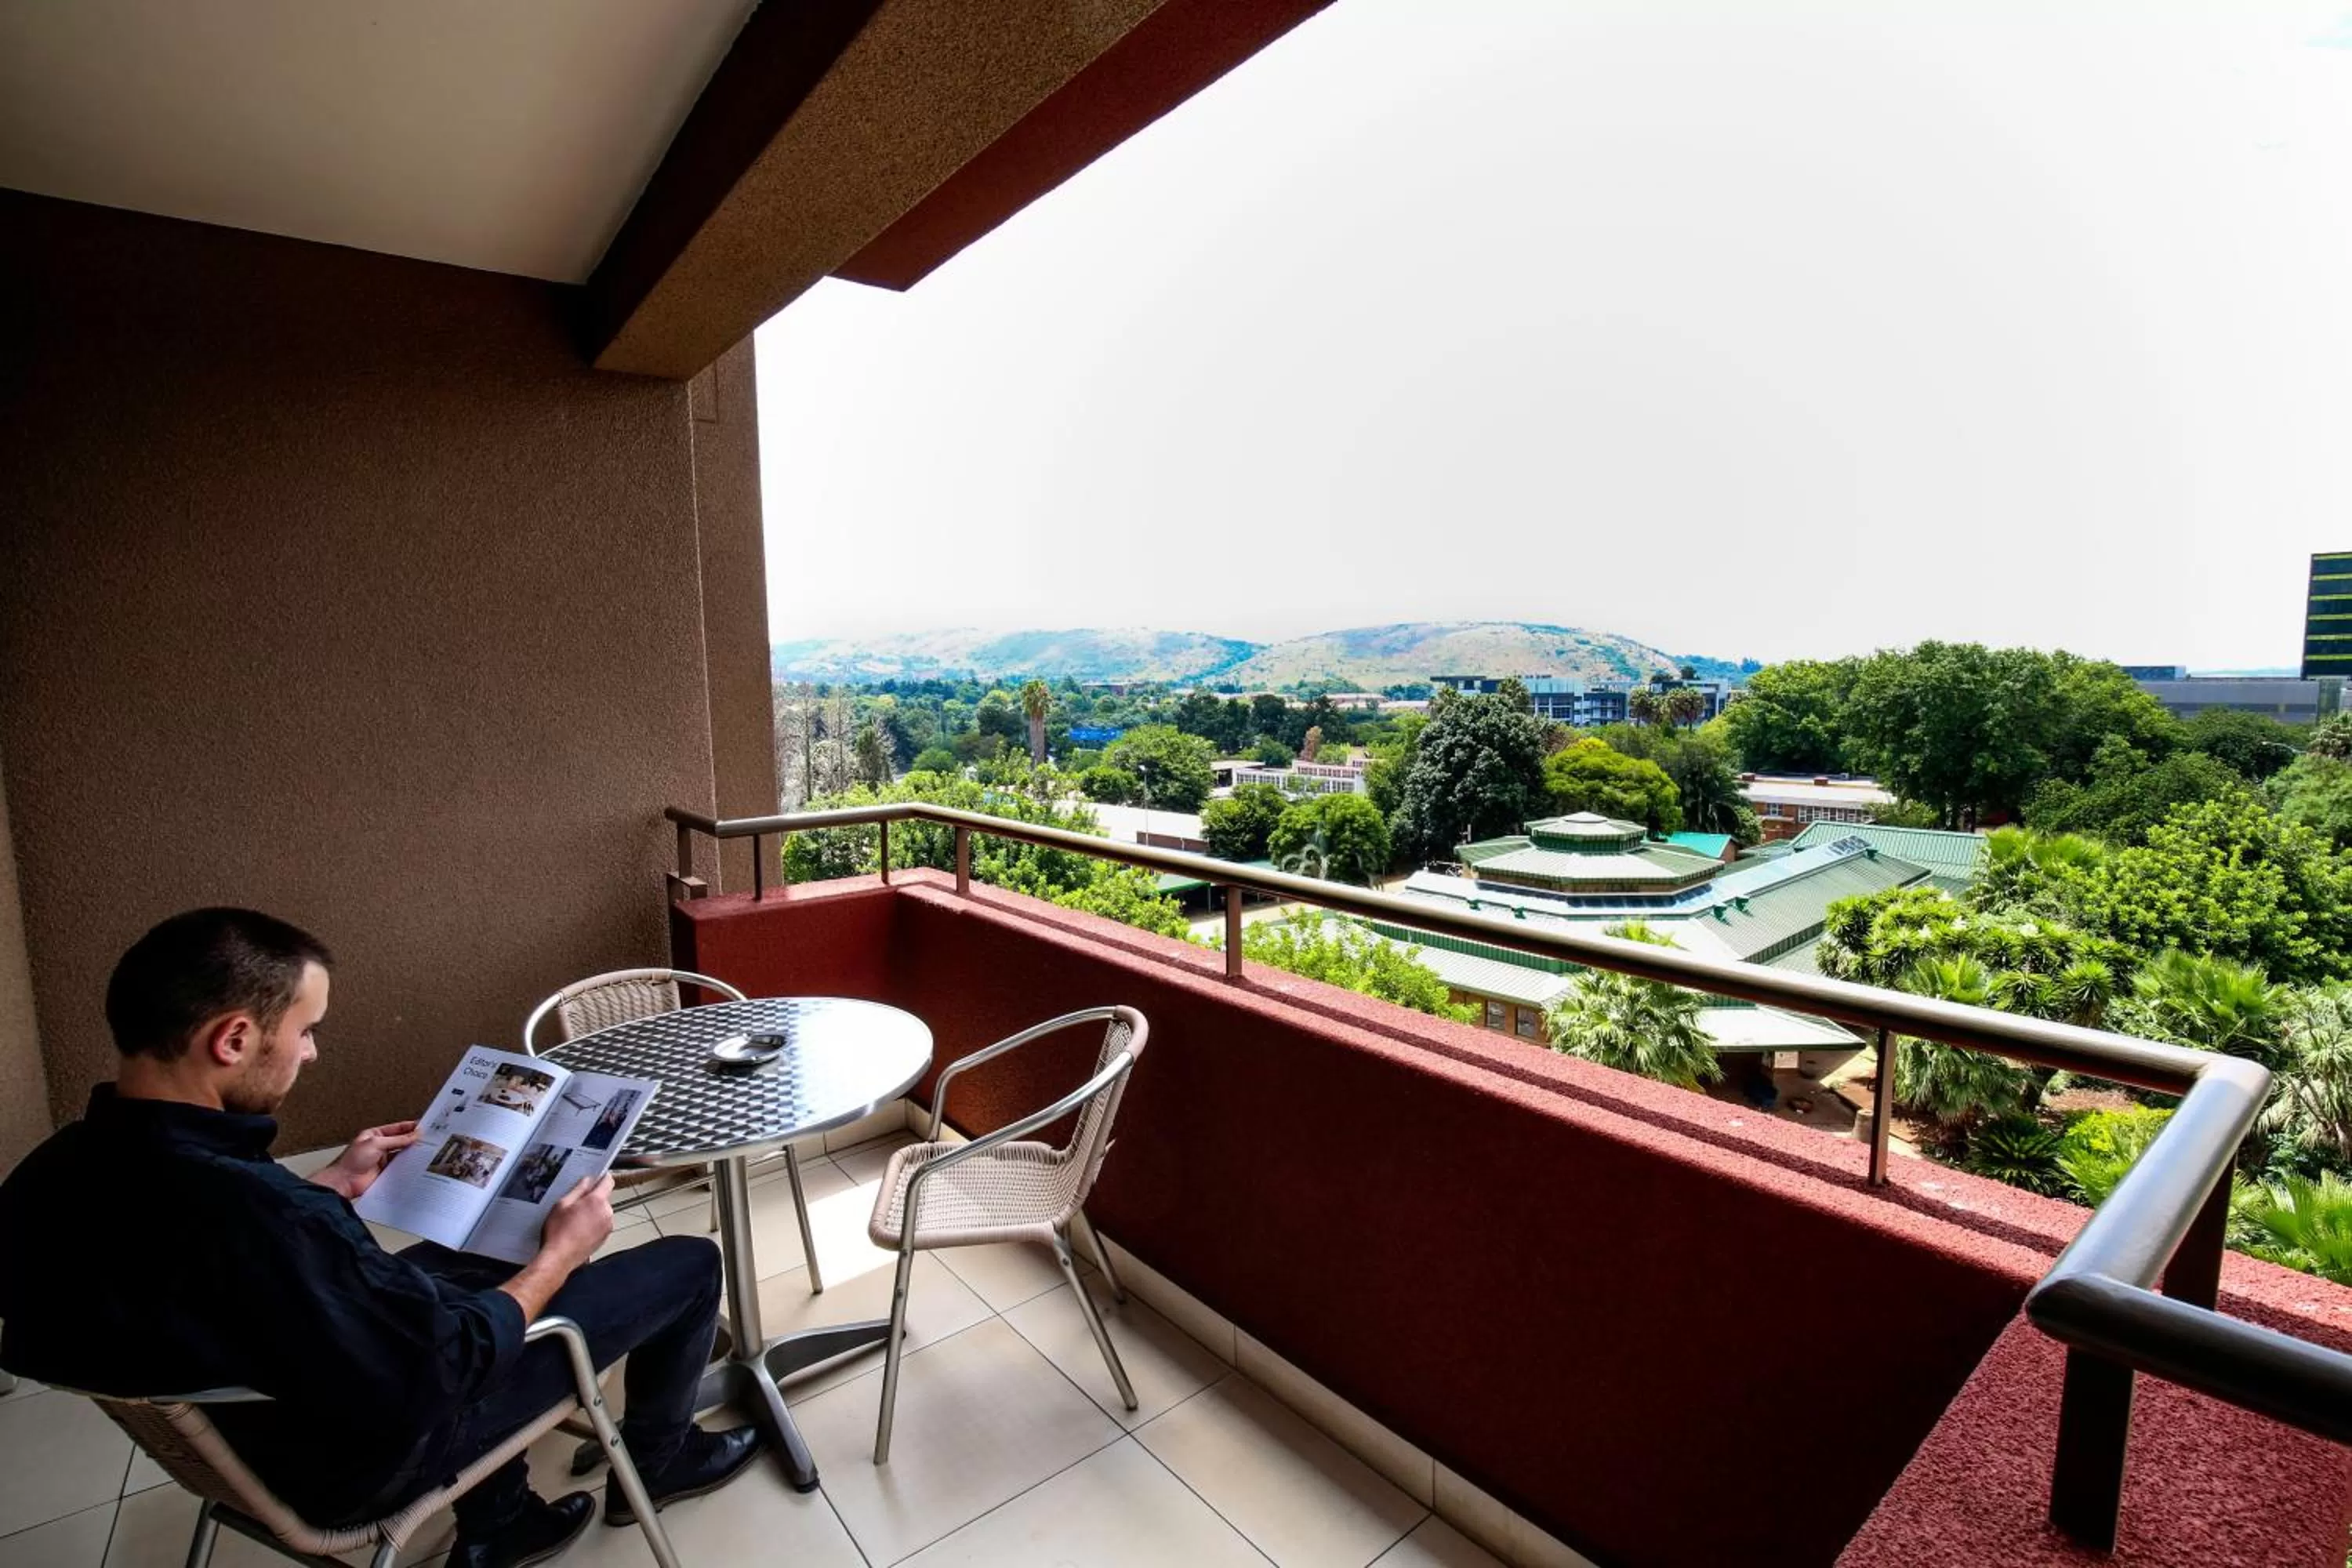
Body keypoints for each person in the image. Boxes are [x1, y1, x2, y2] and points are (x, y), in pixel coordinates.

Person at [0, 909, 761, 1568]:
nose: (310, 1052)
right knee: (689, 1262)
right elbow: (449, 1362)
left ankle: (502, 1524)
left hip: (270, 1421)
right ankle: (663, 1460)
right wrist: (561, 1253)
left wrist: (328, 1182)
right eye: (305, 1029)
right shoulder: (268, 1217)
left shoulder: (52, 1174)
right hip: (371, 1448)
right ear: (233, 1037)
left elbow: (193, 1255)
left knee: (484, 1253)